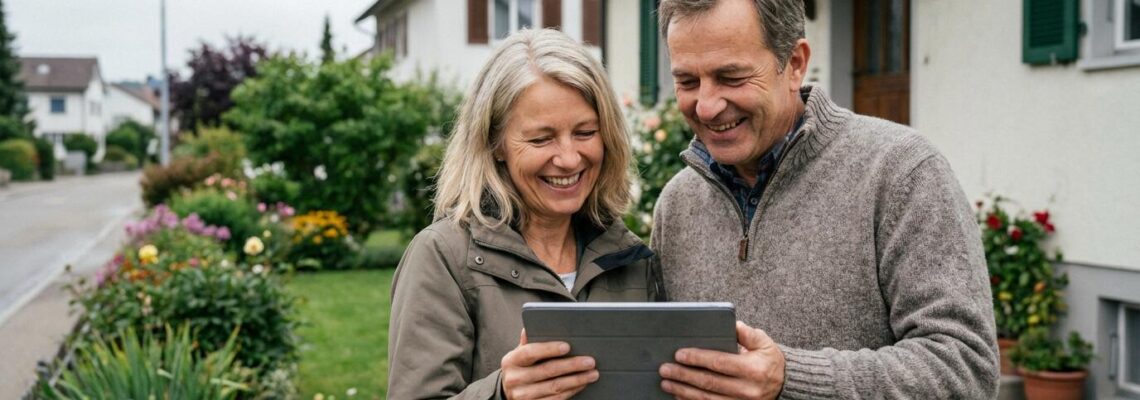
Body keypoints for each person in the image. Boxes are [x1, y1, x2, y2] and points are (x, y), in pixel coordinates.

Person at [649, 0, 999, 398]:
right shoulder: (676, 204)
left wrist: (790, 378)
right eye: (687, 82)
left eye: (731, 77)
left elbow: (966, 368)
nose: (706, 105)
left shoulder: (901, 172)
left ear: (795, 63)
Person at [386, 28, 664, 399]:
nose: (569, 159)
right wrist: (502, 393)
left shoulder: (630, 259)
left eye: (585, 132)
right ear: (495, 143)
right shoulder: (443, 257)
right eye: (541, 139)